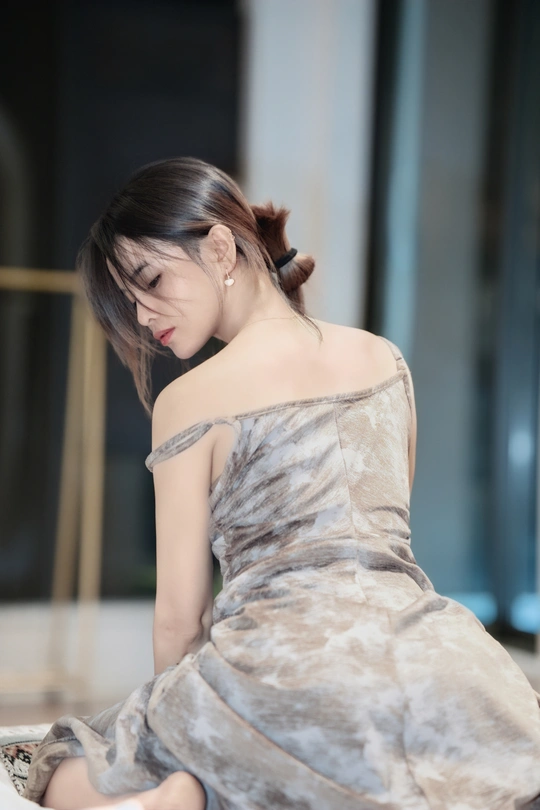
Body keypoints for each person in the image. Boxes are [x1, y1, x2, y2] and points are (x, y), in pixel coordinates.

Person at [24, 157, 540, 810]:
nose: (143, 313)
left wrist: (173, 731)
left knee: (61, 762)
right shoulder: (384, 358)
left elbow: (181, 620)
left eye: (150, 280)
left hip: (279, 678)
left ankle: (176, 794)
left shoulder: (189, 401)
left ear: (220, 247)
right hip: (441, 665)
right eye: (130, 300)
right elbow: (390, 546)